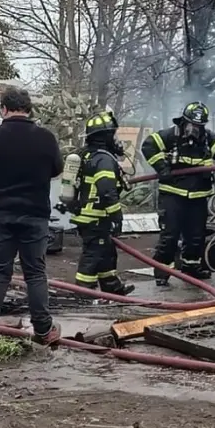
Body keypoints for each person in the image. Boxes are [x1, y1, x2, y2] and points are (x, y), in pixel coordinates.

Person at [0, 87, 62, 346]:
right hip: (35, 214)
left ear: (3, 109)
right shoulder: (45, 138)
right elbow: (57, 169)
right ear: (29, 109)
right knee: (35, 273)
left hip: (0, 213)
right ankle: (43, 331)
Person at [141, 102, 215, 286]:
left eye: (199, 126)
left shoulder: (208, 138)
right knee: (170, 236)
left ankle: (191, 267)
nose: (195, 129)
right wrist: (162, 167)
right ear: (183, 122)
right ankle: (162, 271)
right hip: (173, 196)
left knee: (196, 236)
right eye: (192, 124)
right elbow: (148, 146)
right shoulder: (170, 136)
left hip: (198, 197)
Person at [67, 110, 133, 295]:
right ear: (105, 136)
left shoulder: (89, 154)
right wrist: (116, 216)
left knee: (107, 251)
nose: (115, 138)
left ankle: (111, 286)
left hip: (89, 215)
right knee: (93, 254)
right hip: (96, 217)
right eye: (113, 134)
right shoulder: (104, 159)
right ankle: (83, 291)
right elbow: (107, 191)